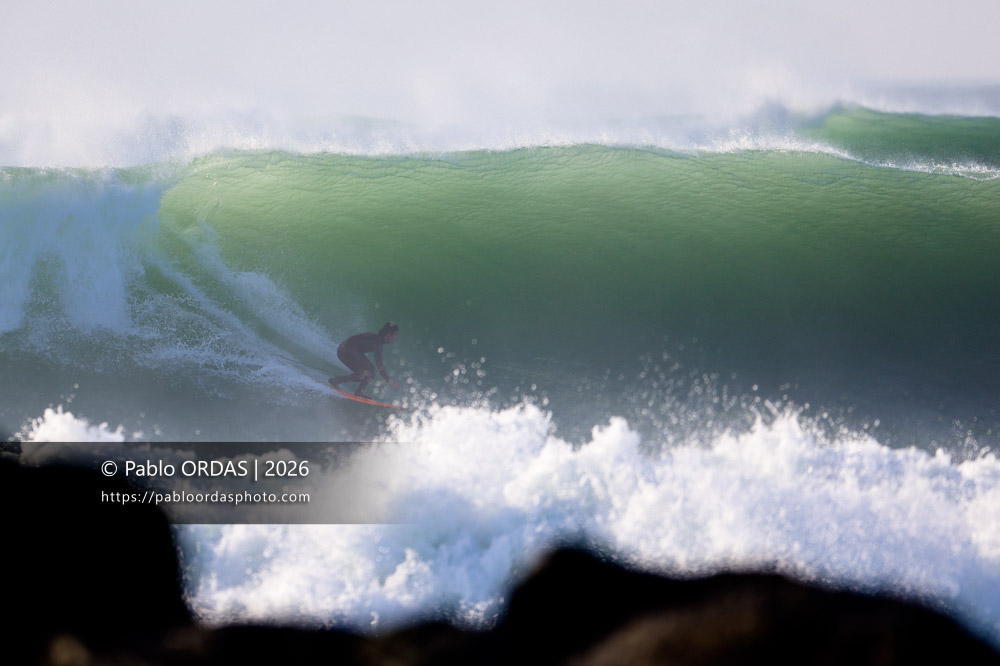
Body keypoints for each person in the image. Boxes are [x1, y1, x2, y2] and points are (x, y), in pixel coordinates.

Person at [329, 322, 401, 399]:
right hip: (347, 351)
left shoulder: (375, 338)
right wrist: (389, 381)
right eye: (395, 334)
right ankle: (358, 390)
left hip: (342, 350)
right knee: (371, 371)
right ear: (387, 335)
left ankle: (338, 381)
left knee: (366, 373)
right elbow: (380, 365)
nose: (396, 337)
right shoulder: (378, 343)